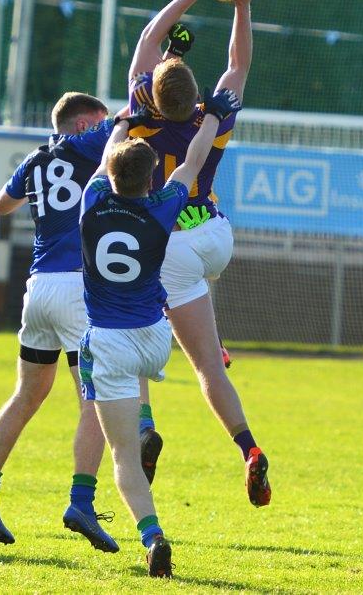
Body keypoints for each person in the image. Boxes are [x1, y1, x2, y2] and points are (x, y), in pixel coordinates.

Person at [79, 87, 243, 578]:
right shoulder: (163, 206)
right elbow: (192, 162)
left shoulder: (90, 201)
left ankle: (152, 535)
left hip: (108, 340)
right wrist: (212, 116)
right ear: (151, 177)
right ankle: (147, 418)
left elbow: (108, 159)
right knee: (156, 351)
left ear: (109, 174)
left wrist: (124, 123)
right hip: (154, 339)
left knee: (123, 454)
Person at [125, 0, 269, 506]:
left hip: (171, 246)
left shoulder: (140, 111)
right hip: (214, 234)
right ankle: (250, 451)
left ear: (152, 89)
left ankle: (143, 426)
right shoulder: (214, 111)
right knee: (209, 357)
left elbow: (148, 37)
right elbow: (239, 62)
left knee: (128, 330)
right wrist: (243, 7)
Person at [0, 92, 121, 552]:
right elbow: (128, 122)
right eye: (97, 122)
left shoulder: (36, 157)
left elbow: (0, 205)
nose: (104, 127)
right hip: (77, 290)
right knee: (96, 398)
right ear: (80, 124)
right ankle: (81, 503)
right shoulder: (90, 144)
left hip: (39, 289)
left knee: (27, 394)